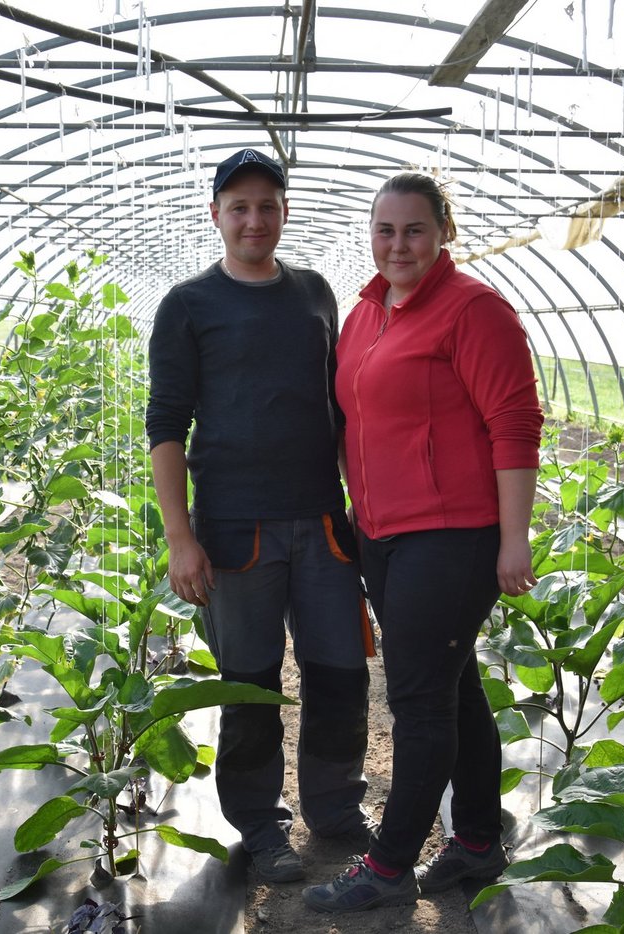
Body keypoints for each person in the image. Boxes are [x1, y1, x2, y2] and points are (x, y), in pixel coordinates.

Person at [303, 172, 543, 913]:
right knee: (454, 687)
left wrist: (514, 539)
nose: (398, 245)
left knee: (419, 704)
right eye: (385, 230)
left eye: (414, 230)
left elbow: (514, 425)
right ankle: (476, 842)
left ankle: (390, 864)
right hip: (383, 534)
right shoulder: (365, 313)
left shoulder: (474, 310)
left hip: (452, 537)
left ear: (444, 232)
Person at [144, 148, 373, 884]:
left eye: (267, 205)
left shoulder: (314, 294)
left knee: (340, 673)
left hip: (322, 523)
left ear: (284, 212)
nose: (254, 220)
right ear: (216, 215)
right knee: (250, 686)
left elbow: (341, 409)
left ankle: (334, 808)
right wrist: (180, 538)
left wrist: (361, 504)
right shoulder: (189, 305)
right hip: (234, 530)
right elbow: (166, 425)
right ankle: (262, 825)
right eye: (239, 207)